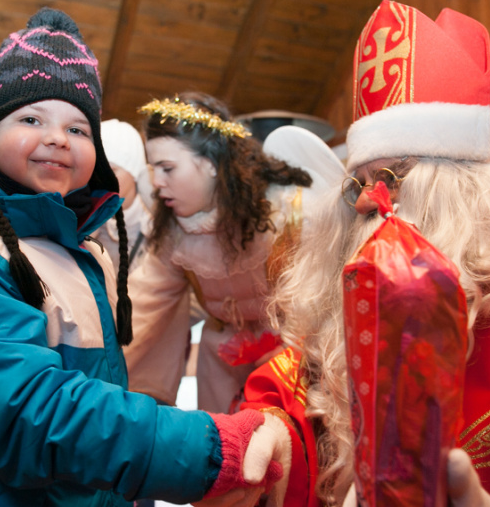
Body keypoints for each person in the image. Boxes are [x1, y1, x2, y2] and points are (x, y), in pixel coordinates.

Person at [0, 7, 290, 506]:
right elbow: (33, 414)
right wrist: (205, 449)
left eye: (78, 129)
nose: (58, 137)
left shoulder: (76, 249)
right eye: (31, 119)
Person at [250, 0, 490, 506]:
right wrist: (271, 439)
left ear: (467, 185)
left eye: (393, 175)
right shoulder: (350, 288)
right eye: (359, 182)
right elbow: (294, 394)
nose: (368, 201)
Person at [123, 92, 345, 414]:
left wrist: (297, 350)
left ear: (211, 164)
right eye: (153, 168)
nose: (156, 182)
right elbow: (143, 304)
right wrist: (103, 360)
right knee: (223, 439)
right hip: (220, 360)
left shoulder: (288, 213)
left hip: (291, 356)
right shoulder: (174, 232)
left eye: (167, 168)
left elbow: (323, 297)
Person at [90, 118, 151, 274]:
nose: (100, 180)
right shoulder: (85, 218)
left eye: (111, 171)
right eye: (94, 171)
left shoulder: (153, 224)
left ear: (134, 172)